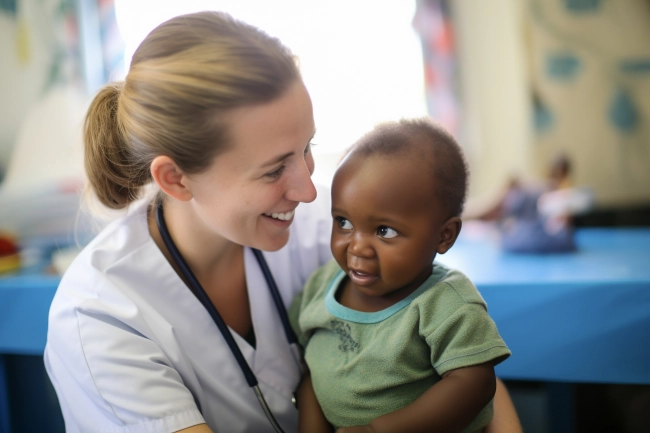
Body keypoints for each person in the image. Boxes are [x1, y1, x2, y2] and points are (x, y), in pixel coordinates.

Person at [43, 11, 522, 433]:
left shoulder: (323, 229)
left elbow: (461, 357)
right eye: (274, 169)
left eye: (308, 148)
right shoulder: (101, 316)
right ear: (176, 179)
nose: (308, 190)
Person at [290, 119, 511, 433]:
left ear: (444, 236)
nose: (357, 247)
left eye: (385, 231)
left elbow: (474, 383)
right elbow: (311, 372)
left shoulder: (445, 302)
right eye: (343, 222)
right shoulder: (320, 286)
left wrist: (381, 430)